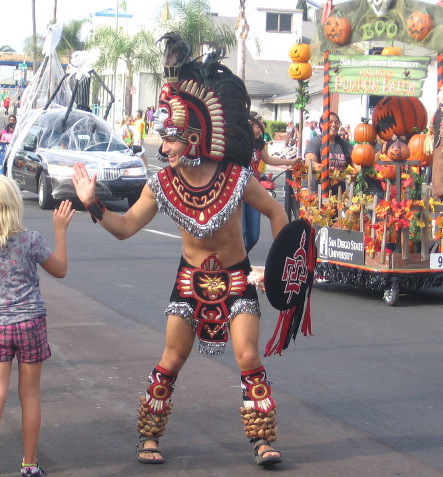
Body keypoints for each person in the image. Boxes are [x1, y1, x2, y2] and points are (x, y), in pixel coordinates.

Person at [72, 33, 287, 467]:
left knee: (247, 355)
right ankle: (148, 437)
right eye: (160, 139)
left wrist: (279, 267)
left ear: (192, 137)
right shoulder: (161, 185)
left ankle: (262, 441)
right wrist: (93, 203)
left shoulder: (236, 176)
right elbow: (127, 226)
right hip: (189, 282)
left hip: (238, 277)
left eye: (168, 139)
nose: (162, 147)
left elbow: (276, 212)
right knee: (172, 357)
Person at [0, 176, 74, 477]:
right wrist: (60, 231)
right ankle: (29, 464)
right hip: (31, 322)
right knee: (30, 395)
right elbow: (60, 270)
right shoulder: (30, 239)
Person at [244, 117, 299, 252]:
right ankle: (237, 265)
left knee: (253, 236)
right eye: (259, 126)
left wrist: (290, 161)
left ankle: (240, 259)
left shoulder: (259, 143)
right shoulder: (240, 141)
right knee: (242, 234)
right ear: (250, 126)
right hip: (239, 190)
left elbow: (268, 159)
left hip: (254, 189)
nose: (262, 128)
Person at [304, 112, 358, 195]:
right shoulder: (315, 142)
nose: (333, 125)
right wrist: (326, 169)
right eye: (330, 122)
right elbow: (309, 163)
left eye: (337, 122)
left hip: (339, 193)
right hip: (318, 191)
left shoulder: (345, 144)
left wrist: (356, 172)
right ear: (321, 125)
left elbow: (356, 164)